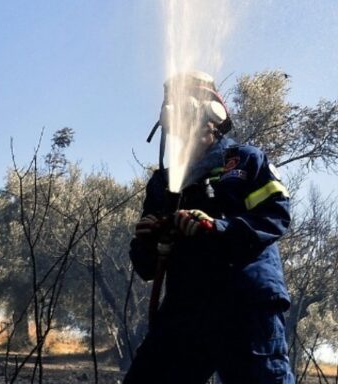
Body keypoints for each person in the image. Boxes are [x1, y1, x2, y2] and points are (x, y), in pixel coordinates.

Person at [124, 70, 295, 384]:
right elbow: (147, 267)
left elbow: (275, 216)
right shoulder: (164, 183)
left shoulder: (246, 162)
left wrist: (217, 228)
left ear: (214, 118)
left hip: (244, 304)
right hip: (186, 307)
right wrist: (149, 241)